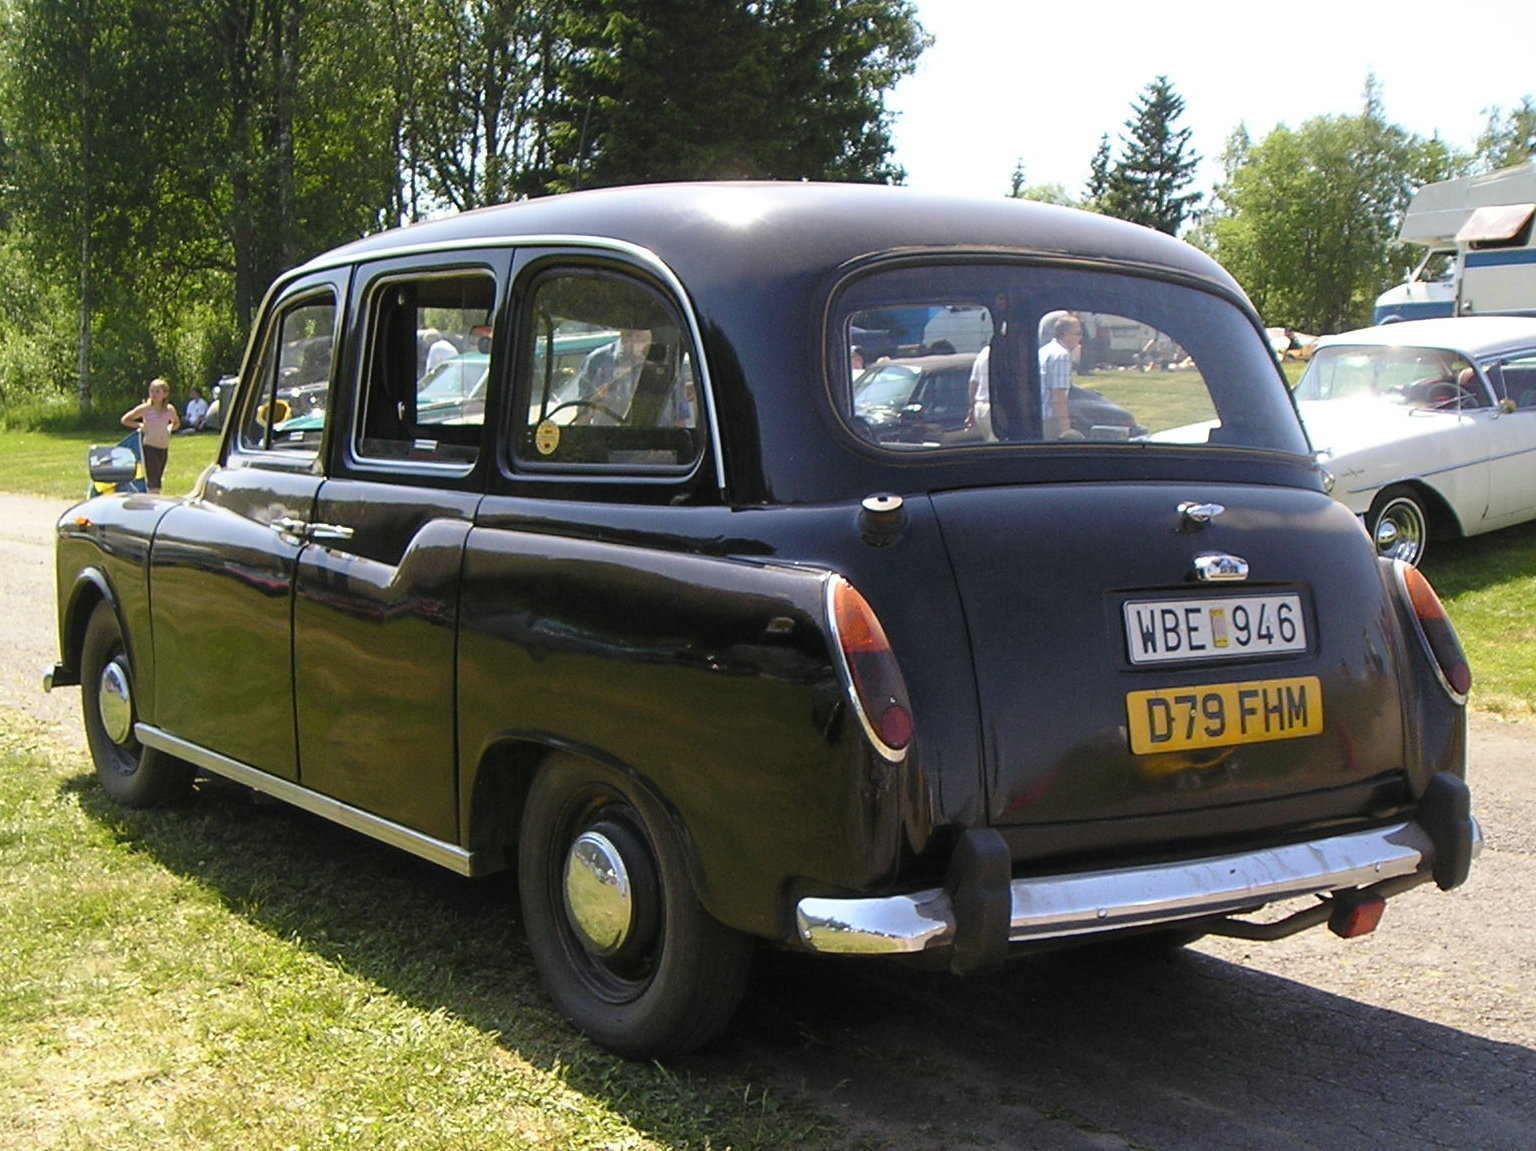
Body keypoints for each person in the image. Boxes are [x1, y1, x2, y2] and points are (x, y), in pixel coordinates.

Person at [120, 378, 180, 493]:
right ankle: (155, 500)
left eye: (157, 391)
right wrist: (140, 425)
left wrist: (170, 428)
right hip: (149, 447)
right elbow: (125, 420)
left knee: (158, 476)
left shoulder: (169, 409)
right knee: (153, 480)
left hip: (163, 448)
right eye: (151, 391)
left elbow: (176, 422)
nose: (154, 394)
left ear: (165, 394)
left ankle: (153, 498)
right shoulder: (145, 409)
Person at [1038, 314, 1081, 439]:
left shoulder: (1044, 350)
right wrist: (1066, 427)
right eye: (1078, 333)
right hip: (1051, 420)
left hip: (1040, 416)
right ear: (1066, 335)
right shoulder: (1062, 355)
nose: (1081, 338)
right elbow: (1059, 394)